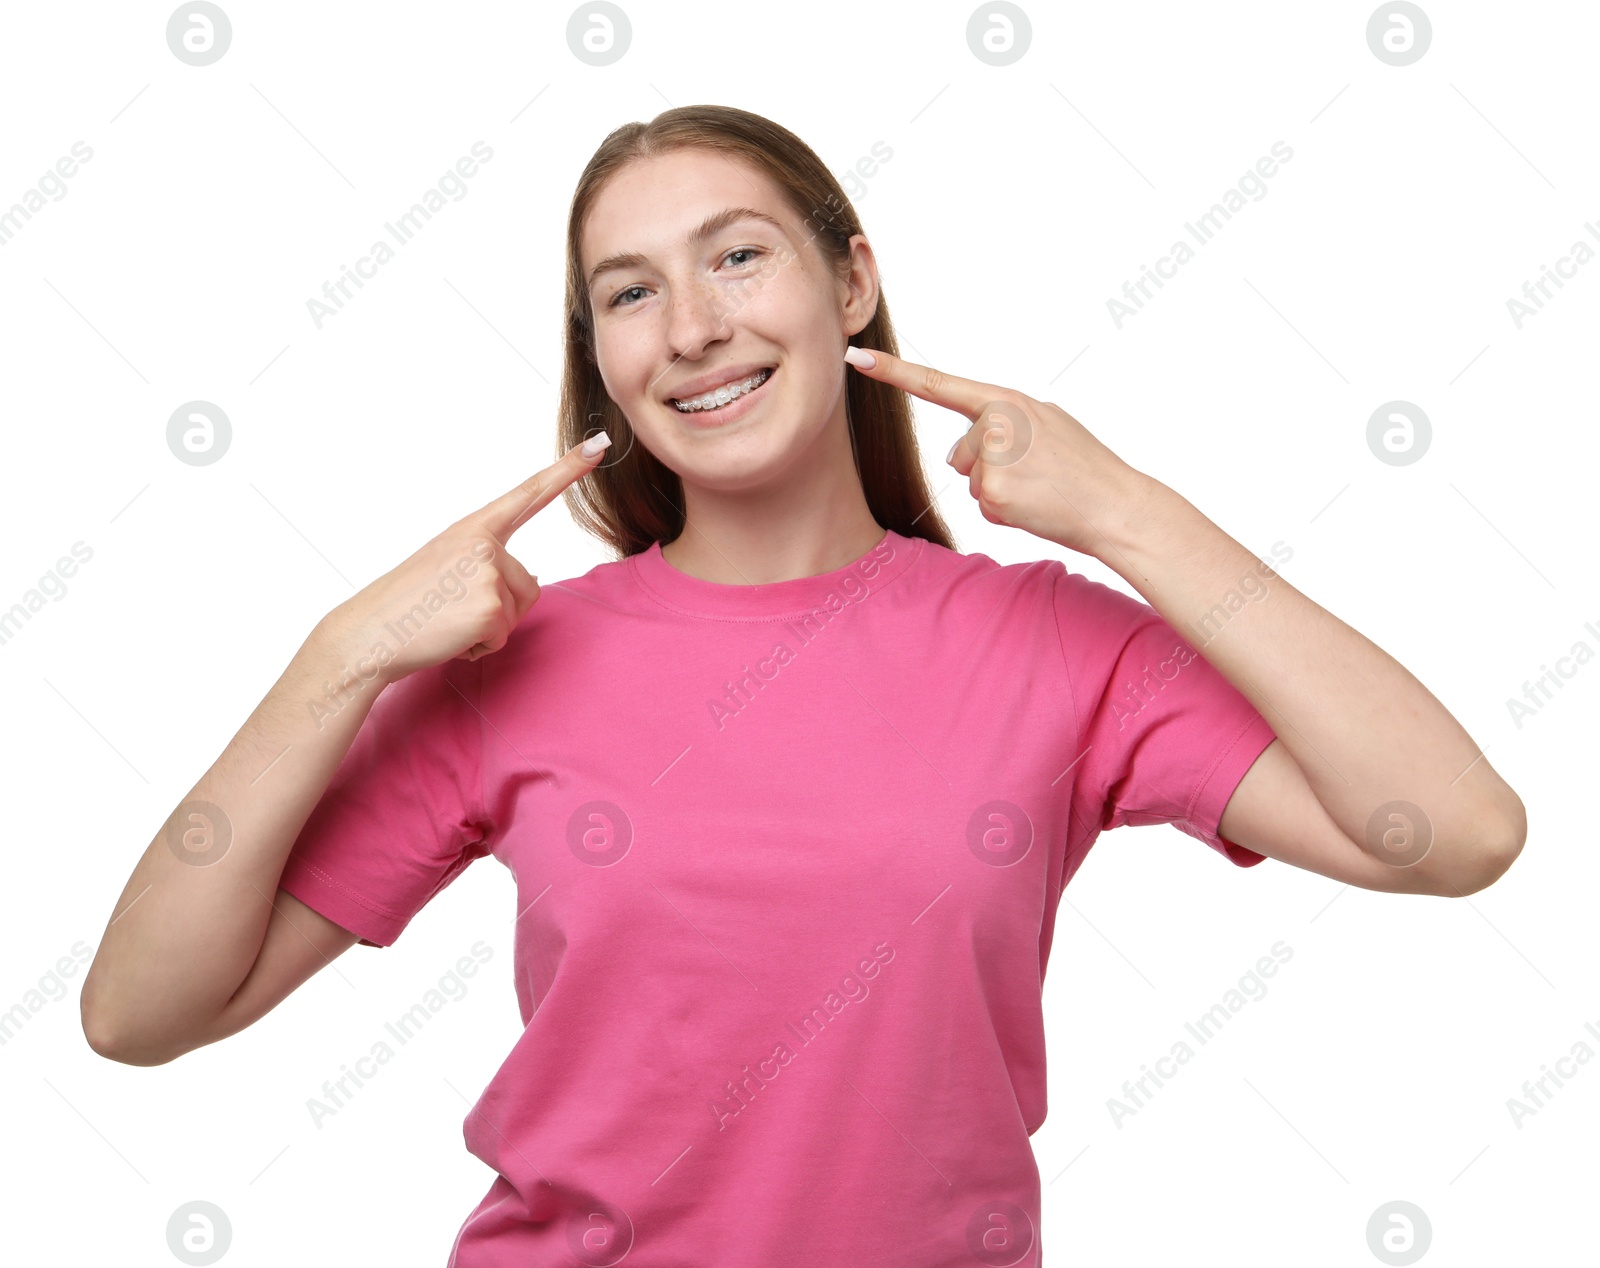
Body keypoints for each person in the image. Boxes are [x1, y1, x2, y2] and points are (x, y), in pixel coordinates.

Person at [81, 104, 1527, 1266]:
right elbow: (140, 1013)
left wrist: (1130, 511)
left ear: (849, 280)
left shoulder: (1049, 643)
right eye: (629, 293)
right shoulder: (512, 662)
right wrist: (335, 658)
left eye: (737, 258)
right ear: (603, 358)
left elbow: (1454, 831)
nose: (692, 328)